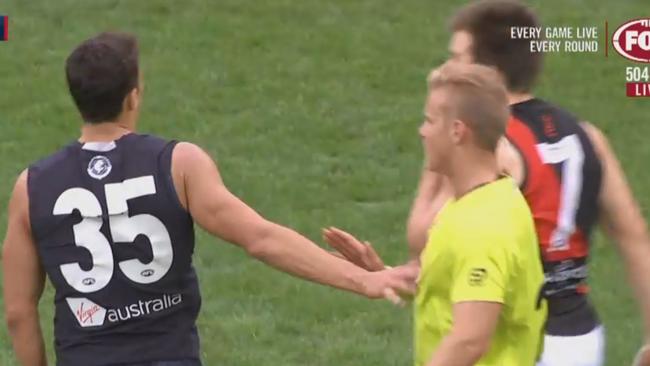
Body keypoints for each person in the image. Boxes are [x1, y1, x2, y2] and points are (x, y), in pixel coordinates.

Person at [1, 31, 418, 366]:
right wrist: (364, 279)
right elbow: (261, 239)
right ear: (133, 96)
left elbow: (19, 312)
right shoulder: (179, 164)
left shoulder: (31, 186)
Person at [325, 1, 650, 365]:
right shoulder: (586, 135)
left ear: (489, 73)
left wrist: (439, 157)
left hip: (517, 337)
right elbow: (632, 236)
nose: (445, 68)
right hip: (579, 339)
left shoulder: (485, 146)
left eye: (457, 57)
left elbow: (428, 237)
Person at [418, 61, 545, 365]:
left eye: (429, 121)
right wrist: (386, 275)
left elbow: (470, 340)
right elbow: (461, 278)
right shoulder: (486, 198)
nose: (422, 132)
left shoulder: (483, 227)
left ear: (457, 131)